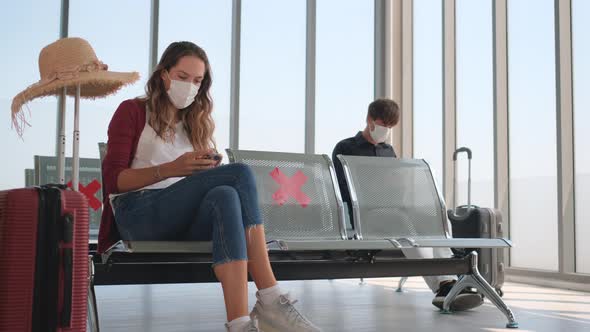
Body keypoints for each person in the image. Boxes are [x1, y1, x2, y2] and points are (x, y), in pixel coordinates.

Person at [98, 41, 321, 332]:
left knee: (225, 195)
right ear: (163, 74)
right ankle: (271, 298)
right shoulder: (132, 111)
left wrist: (200, 172)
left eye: (197, 81)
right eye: (182, 77)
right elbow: (114, 180)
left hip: (181, 216)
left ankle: (240, 323)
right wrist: (171, 168)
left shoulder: (195, 121)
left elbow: (198, 188)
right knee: (239, 173)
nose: (189, 86)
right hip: (138, 213)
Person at [331, 98, 484, 311]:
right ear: (369, 120)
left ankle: (448, 281)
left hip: (392, 210)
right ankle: (445, 284)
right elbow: (342, 189)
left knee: (431, 218)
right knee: (404, 222)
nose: (385, 130)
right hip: (363, 215)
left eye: (390, 126)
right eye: (382, 124)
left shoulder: (388, 151)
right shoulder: (345, 147)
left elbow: (395, 186)